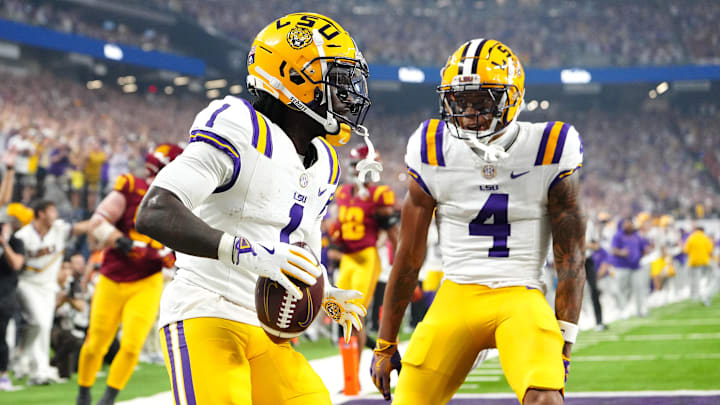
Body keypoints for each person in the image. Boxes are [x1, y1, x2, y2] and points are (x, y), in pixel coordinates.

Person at [135, 13, 372, 405]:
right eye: (336, 81)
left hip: (265, 328)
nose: (348, 95)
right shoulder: (239, 125)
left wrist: (324, 288)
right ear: (293, 79)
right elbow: (156, 211)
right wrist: (246, 253)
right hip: (205, 310)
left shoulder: (325, 160)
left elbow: (301, 242)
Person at [370, 39, 586, 405]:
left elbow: (571, 256)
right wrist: (385, 342)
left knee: (545, 398)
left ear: (511, 98)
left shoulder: (550, 145)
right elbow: (408, 256)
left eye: (482, 101)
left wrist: (564, 341)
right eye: (460, 101)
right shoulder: (430, 146)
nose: (469, 113)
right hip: (457, 296)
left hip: (521, 294)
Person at [75, 144, 182, 405]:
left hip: (147, 280)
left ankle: (109, 398)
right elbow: (98, 222)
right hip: (114, 275)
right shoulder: (131, 186)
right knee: (96, 343)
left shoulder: (180, 200)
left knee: (133, 344)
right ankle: (84, 392)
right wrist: (121, 241)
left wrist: (171, 254)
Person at [333, 144, 399, 393]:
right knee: (342, 318)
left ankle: (355, 380)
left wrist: (399, 264)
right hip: (348, 260)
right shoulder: (342, 193)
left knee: (355, 317)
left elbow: (392, 229)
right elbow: (338, 227)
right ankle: (350, 377)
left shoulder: (380, 194)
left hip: (366, 258)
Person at [13, 200, 92, 385]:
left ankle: (22, 358)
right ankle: (39, 371)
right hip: (27, 283)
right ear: (40, 213)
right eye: (52, 210)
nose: (55, 214)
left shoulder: (58, 229)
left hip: (48, 286)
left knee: (40, 326)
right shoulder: (23, 235)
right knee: (39, 322)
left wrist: (101, 220)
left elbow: (78, 228)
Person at [0, 210, 25, 391]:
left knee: (1, 336)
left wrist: (4, 244)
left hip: (5, 296)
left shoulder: (16, 243)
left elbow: (16, 264)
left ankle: (3, 375)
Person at [609, 218, 647, 318]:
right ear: (623, 225)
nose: (629, 226)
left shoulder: (637, 236)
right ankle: (623, 310)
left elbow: (643, 249)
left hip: (636, 266)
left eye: (631, 224)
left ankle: (640, 310)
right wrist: (621, 252)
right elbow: (613, 250)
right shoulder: (618, 236)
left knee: (638, 288)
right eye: (627, 224)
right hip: (622, 266)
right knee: (622, 289)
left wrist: (640, 255)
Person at [684, 226, 715, 306]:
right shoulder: (705, 238)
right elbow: (710, 251)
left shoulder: (691, 238)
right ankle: (705, 295)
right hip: (704, 262)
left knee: (694, 280)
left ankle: (694, 296)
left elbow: (686, 250)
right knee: (707, 280)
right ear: (703, 231)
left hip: (693, 262)